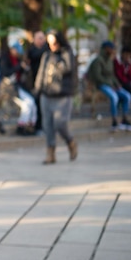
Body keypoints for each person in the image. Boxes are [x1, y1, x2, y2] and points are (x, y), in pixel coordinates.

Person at [33, 30, 78, 164]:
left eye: (54, 42)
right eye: (50, 42)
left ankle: (70, 141)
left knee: (60, 123)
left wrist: (57, 60)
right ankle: (50, 154)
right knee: (48, 126)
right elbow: (41, 73)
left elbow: (67, 68)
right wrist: (37, 89)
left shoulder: (67, 53)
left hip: (63, 95)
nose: (52, 45)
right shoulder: (46, 55)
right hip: (46, 95)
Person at [87, 40, 131, 131]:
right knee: (114, 97)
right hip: (101, 84)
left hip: (111, 84)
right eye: (111, 49)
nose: (112, 51)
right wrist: (109, 84)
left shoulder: (109, 61)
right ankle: (114, 121)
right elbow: (98, 77)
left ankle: (124, 119)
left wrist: (117, 84)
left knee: (127, 96)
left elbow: (112, 75)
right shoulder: (98, 61)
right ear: (106, 49)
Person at [0, 42, 37, 135]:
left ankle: (29, 126)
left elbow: (22, 74)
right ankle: (22, 126)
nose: (17, 53)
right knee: (26, 106)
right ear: (12, 49)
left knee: (32, 103)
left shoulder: (18, 59)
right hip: (8, 90)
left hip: (17, 87)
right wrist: (20, 66)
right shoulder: (4, 58)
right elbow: (6, 72)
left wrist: (25, 68)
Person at [26, 30, 49, 133]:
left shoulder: (47, 50)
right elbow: (35, 56)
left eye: (43, 38)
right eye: (39, 38)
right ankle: (38, 127)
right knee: (38, 106)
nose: (42, 40)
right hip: (34, 83)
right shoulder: (32, 50)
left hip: (47, 83)